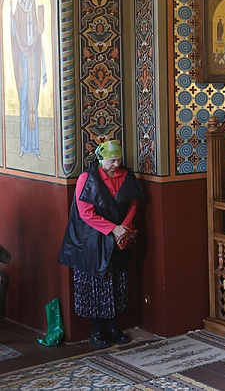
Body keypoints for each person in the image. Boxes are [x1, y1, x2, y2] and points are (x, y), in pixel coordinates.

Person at [58, 141, 143, 348]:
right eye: (112, 160)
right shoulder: (87, 178)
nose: (116, 164)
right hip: (91, 241)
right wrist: (113, 229)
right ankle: (96, 331)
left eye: (119, 160)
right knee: (94, 286)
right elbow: (85, 213)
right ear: (101, 159)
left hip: (119, 237)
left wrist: (124, 228)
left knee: (116, 283)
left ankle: (114, 328)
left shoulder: (127, 175)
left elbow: (133, 203)